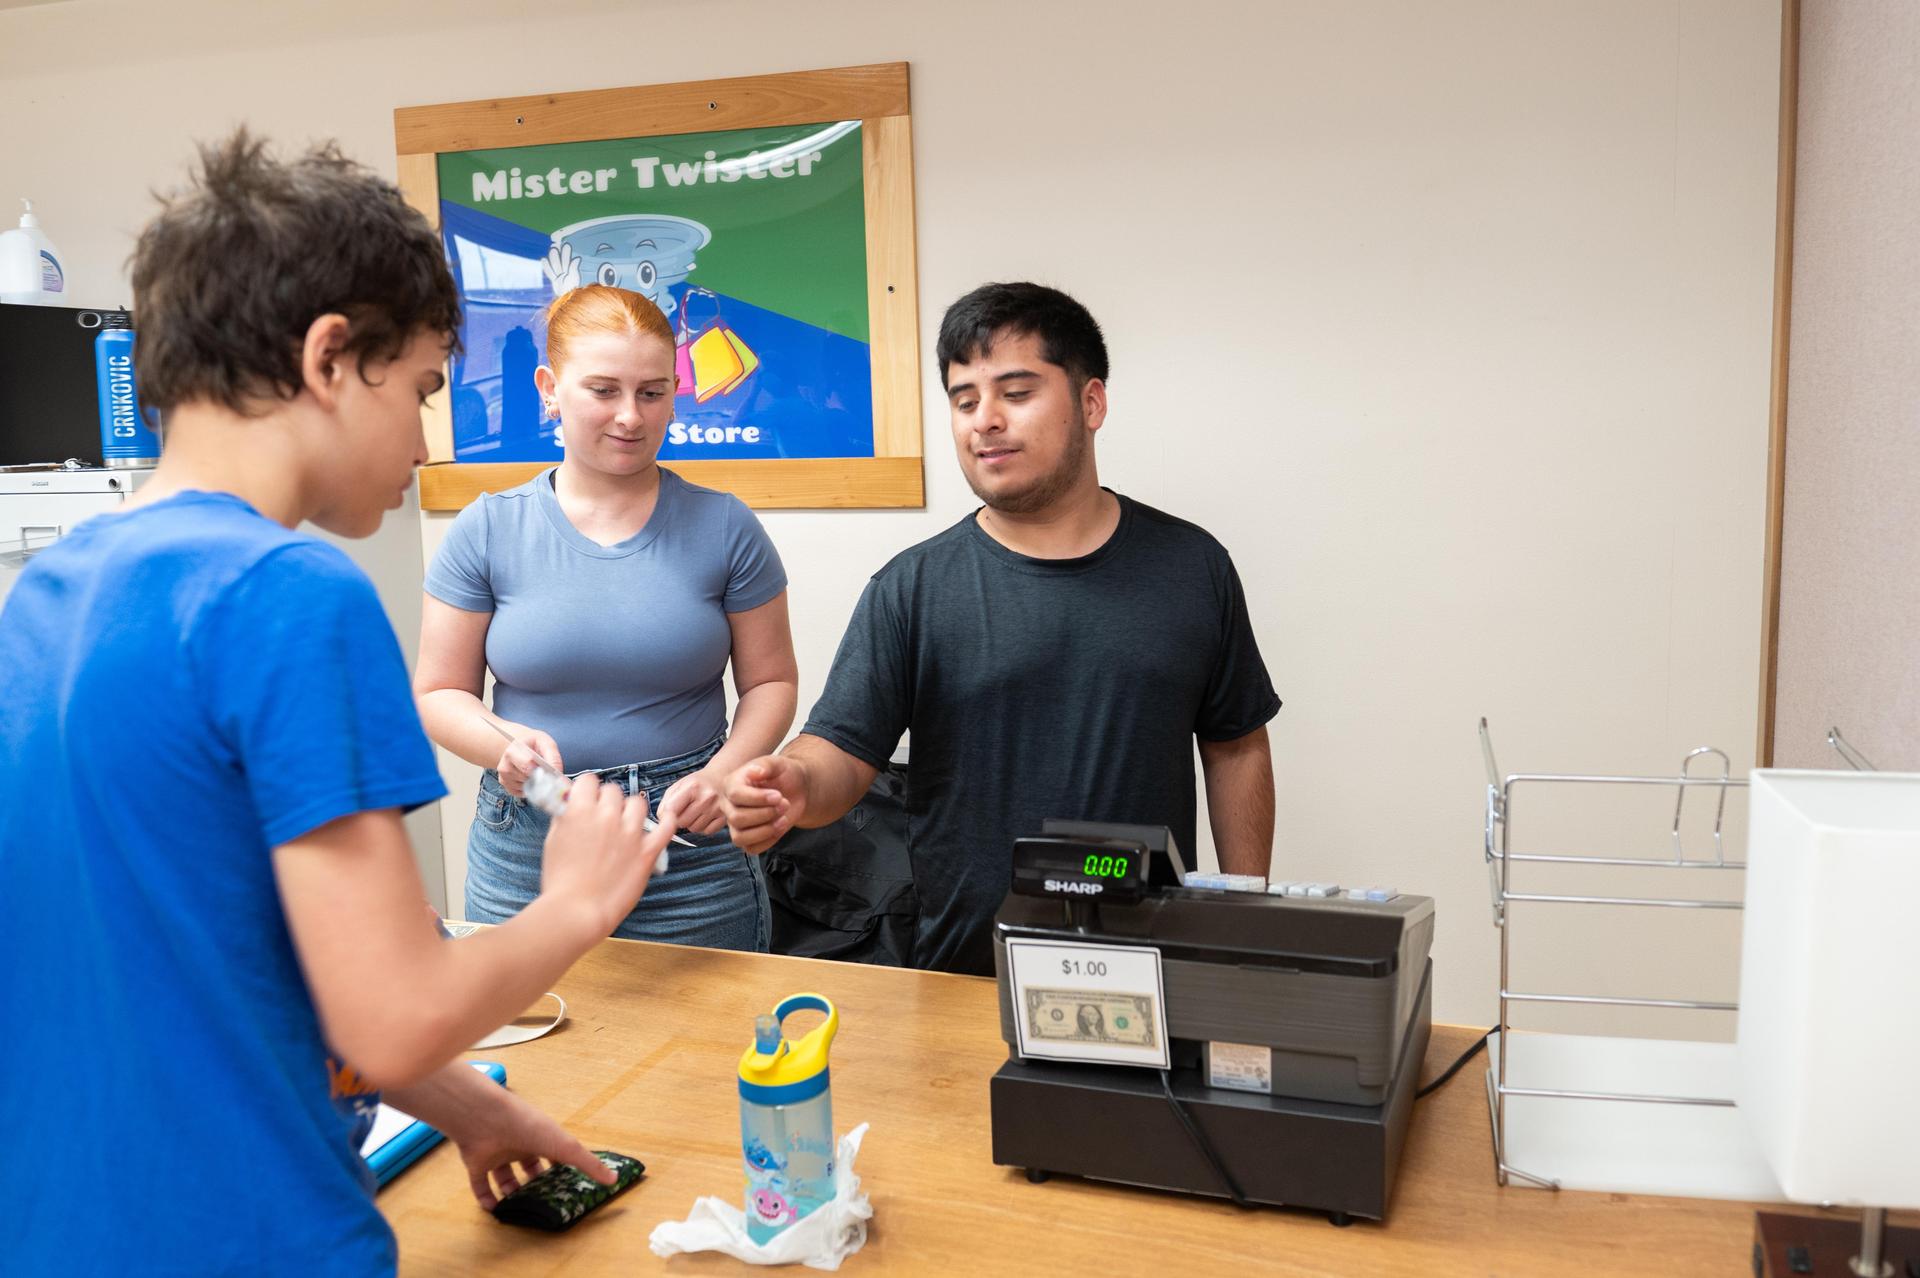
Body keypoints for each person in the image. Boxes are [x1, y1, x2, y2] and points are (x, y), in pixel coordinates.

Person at [0, 134, 677, 1274]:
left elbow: (221, 953)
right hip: (253, 1234)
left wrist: (469, 1106)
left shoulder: (49, 590)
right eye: (418, 387)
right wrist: (574, 904)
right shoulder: (290, 593)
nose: (421, 440)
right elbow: (393, 1016)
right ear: (330, 358)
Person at [721, 282, 1280, 975]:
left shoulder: (1193, 566)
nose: (984, 420)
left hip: (1155, 962)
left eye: (1016, 393)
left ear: (1091, 402)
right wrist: (794, 786)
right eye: (964, 399)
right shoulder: (913, 587)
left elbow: (1236, 748)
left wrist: (1244, 911)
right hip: (967, 970)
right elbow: (842, 749)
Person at [415, 284, 796, 951]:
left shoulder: (726, 526)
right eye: (603, 390)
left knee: (706, 1048)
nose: (630, 416)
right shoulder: (487, 528)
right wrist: (503, 747)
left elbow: (772, 685)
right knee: (534, 1048)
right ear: (549, 388)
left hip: (691, 844)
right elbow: (439, 692)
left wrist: (724, 772)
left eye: (652, 392)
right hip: (528, 838)